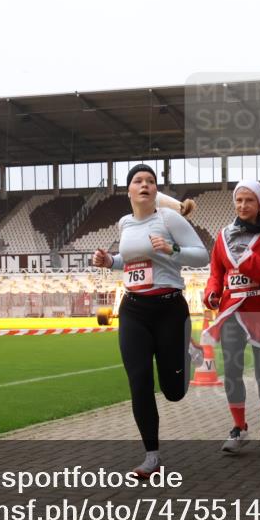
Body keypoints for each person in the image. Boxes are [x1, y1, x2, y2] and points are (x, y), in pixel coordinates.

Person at [91, 164, 209, 477]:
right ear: (128, 190)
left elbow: (202, 255)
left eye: (150, 181)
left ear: (156, 191)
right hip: (134, 310)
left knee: (173, 391)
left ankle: (188, 353)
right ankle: (151, 457)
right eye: (138, 180)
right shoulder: (124, 223)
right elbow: (130, 262)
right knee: (139, 381)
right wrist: (109, 262)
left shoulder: (169, 218)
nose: (144, 184)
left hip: (169, 308)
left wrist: (173, 248)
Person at [202, 180, 260, 451]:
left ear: (259, 204)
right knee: (231, 371)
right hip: (232, 311)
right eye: (239, 200)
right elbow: (216, 274)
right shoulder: (222, 236)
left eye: (249, 200)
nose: (243, 205)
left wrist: (251, 263)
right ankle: (239, 426)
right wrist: (212, 293)